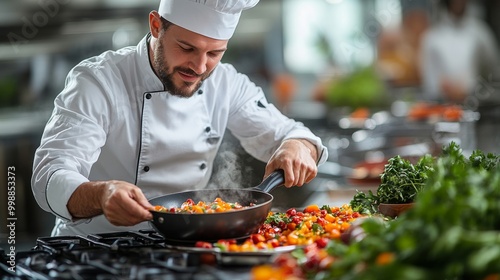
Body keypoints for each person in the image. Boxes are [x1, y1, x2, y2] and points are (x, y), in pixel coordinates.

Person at [31, 0, 328, 237]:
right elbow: (50, 174)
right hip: (92, 250)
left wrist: (298, 146)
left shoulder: (226, 83)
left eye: (214, 53)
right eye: (187, 48)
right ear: (156, 26)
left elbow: (290, 135)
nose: (199, 67)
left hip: (183, 246)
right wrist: (102, 195)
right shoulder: (98, 81)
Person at [420, 0, 499, 104]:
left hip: (475, 104)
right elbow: (429, 79)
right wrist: (443, 88)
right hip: (442, 106)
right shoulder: (432, 37)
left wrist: (479, 91)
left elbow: (494, 71)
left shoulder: (480, 32)